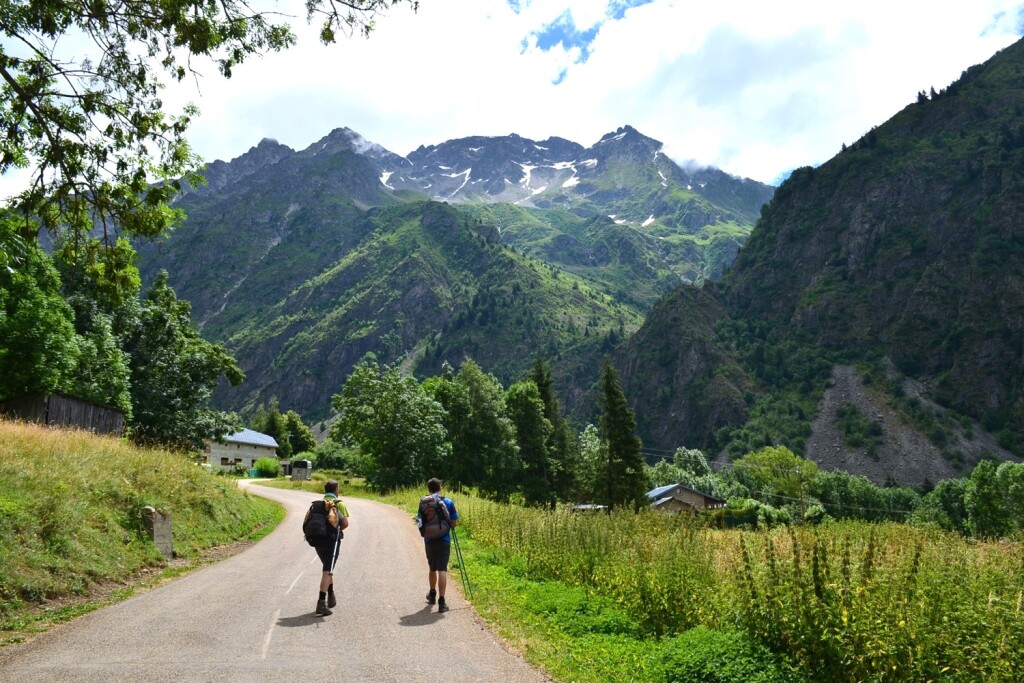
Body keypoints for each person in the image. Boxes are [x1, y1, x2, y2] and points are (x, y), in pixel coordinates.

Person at [306, 479, 349, 616]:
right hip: (331, 541)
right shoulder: (338, 504)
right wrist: (336, 530)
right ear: (336, 489)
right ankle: (321, 602)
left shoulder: (318, 504)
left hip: (317, 540)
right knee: (327, 571)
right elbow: (345, 524)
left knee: (328, 568)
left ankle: (331, 596)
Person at [422, 477, 459, 613]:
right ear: (440, 488)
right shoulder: (448, 502)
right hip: (444, 540)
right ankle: (442, 603)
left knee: (432, 568)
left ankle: (432, 594)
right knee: (442, 569)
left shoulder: (423, 502)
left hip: (429, 540)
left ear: (428, 489)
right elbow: (454, 523)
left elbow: (420, 521)